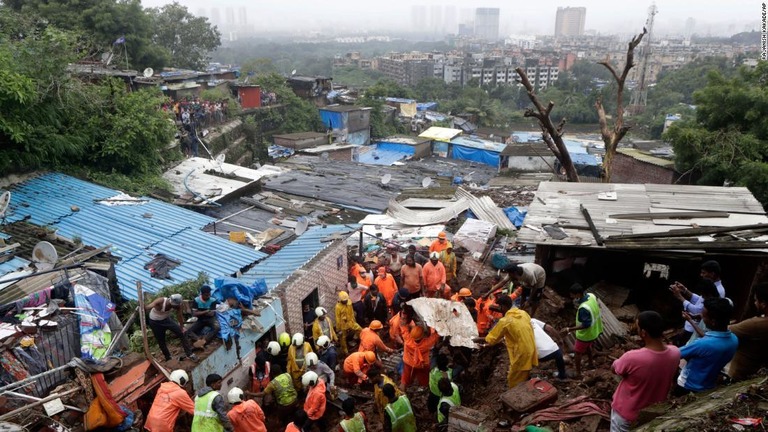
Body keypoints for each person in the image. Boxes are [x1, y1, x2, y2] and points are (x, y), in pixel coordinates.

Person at [609, 311, 680, 432]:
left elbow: (614, 369)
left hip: (627, 414)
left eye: (637, 326)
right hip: (653, 413)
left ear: (643, 333)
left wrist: (619, 361)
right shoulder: (675, 353)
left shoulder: (632, 357)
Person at [676, 298, 738, 395]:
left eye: (704, 316)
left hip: (688, 386)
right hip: (709, 385)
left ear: (713, 321)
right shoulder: (734, 339)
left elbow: (675, 354)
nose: (701, 317)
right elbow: (713, 341)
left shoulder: (702, 344)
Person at [474, 295, 538, 388]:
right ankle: (525, 385)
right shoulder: (523, 313)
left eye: (500, 307)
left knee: (513, 378)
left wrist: (478, 340)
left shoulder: (505, 321)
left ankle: (516, 395)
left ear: (503, 306)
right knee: (524, 372)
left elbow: (492, 339)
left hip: (521, 352)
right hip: (531, 347)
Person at [728, 283, 768, 381]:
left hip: (740, 375)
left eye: (755, 300)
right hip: (755, 371)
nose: (754, 303)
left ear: (763, 303)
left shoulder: (756, 324)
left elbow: (726, 330)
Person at [563, 283, 603, 377]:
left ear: (577, 294)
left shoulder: (583, 308)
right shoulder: (591, 296)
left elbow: (585, 325)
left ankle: (578, 373)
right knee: (588, 347)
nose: (571, 296)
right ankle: (591, 364)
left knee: (577, 352)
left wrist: (569, 329)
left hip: (586, 334)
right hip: (594, 331)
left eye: (572, 294)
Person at [145, 293, 198, 362]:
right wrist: (143, 306)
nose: (176, 307)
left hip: (166, 320)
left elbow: (180, 316)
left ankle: (189, 354)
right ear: (171, 302)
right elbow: (148, 307)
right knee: (161, 341)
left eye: (177, 306)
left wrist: (181, 328)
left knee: (182, 333)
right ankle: (168, 358)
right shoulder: (160, 301)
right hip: (155, 322)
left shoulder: (178, 305)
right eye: (175, 306)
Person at [670, 279, 720, 347]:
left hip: (695, 333)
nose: (702, 297)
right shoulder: (708, 297)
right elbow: (699, 302)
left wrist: (680, 296)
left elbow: (697, 310)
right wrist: (684, 290)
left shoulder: (711, 306)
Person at [187, 285, 220, 349]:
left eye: (209, 294)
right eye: (206, 295)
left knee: (217, 327)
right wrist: (205, 312)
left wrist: (200, 312)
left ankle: (205, 341)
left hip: (210, 319)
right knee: (188, 331)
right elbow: (194, 314)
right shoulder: (196, 300)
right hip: (200, 320)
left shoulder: (213, 300)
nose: (208, 296)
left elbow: (211, 314)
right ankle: (198, 340)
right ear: (202, 294)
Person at [336, 291, 362, 355]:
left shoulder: (349, 302)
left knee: (360, 330)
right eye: (344, 300)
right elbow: (337, 318)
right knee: (343, 338)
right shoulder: (338, 307)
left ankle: (356, 338)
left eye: (346, 300)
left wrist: (354, 320)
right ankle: (345, 351)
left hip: (351, 322)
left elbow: (352, 312)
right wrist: (338, 329)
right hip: (343, 325)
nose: (345, 301)